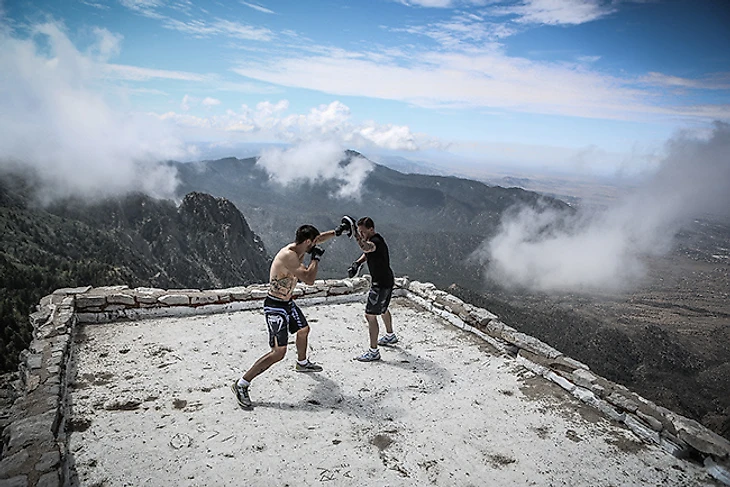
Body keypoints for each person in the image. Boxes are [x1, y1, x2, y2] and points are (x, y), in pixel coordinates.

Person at [232, 220, 352, 409]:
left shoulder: (300, 247)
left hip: (287, 302)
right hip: (275, 307)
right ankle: (241, 384)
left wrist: (338, 232)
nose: (315, 245)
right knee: (278, 353)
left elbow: (319, 239)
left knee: (303, 329)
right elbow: (309, 279)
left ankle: (302, 363)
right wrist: (316, 260)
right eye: (313, 243)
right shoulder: (289, 256)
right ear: (306, 242)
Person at [348, 216, 397, 362]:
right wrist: (357, 263)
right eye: (359, 232)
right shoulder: (375, 240)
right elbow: (367, 253)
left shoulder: (376, 241)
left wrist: (355, 235)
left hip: (381, 284)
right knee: (382, 308)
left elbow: (366, 247)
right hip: (386, 280)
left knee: (370, 315)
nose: (361, 234)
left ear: (371, 229)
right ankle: (390, 336)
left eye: (363, 232)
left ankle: (373, 351)